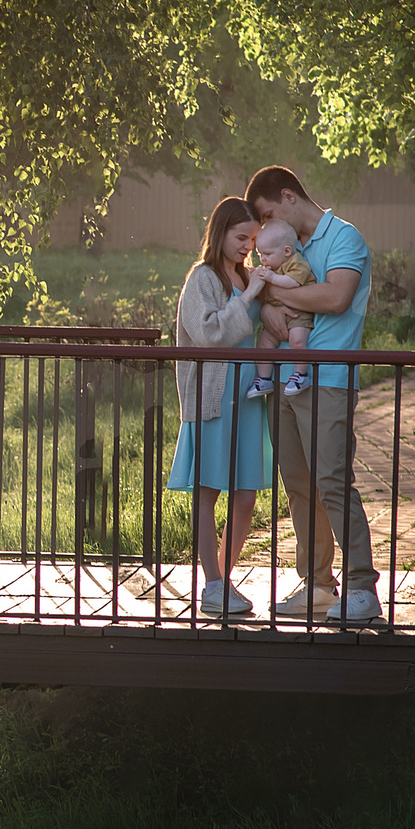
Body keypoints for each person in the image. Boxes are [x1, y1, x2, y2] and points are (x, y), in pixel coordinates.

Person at [243, 166, 379, 622]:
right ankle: (319, 584)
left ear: (288, 196)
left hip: (329, 379)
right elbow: (267, 290)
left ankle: (362, 587)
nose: (263, 228)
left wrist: (275, 296)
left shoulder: (345, 238)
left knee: (334, 483)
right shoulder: (282, 247)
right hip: (284, 377)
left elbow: (336, 297)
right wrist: (266, 307)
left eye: (266, 214)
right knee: (299, 487)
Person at [166, 198, 273, 616]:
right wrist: (248, 298)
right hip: (213, 395)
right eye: (241, 237)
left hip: (248, 396)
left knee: (245, 495)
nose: (248, 245)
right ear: (220, 232)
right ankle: (213, 583)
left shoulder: (245, 274)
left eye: (252, 238)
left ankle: (221, 583)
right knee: (209, 490)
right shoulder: (202, 277)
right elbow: (210, 333)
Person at [243, 218, 317, 397]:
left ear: (287, 251)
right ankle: (264, 379)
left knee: (297, 340)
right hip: (276, 314)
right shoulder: (273, 267)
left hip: (298, 314)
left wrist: (271, 278)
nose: (263, 258)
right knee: (264, 344)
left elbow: (293, 282)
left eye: (267, 254)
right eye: (260, 254)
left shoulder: (296, 263)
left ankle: (301, 374)